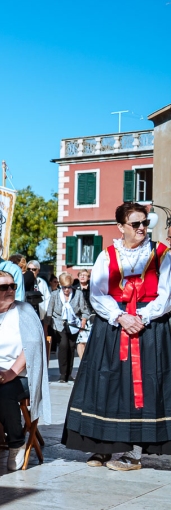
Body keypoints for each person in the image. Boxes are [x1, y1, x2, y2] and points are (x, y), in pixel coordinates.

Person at [63, 202, 171, 472]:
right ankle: (103, 446)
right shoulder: (107, 255)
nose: (142, 228)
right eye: (135, 224)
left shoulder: (161, 253)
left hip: (150, 326)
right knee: (107, 384)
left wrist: (142, 317)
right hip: (113, 327)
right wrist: (121, 317)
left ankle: (133, 453)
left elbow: (168, 294)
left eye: (145, 223)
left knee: (145, 387)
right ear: (121, 227)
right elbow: (98, 293)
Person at [0, 270, 53, 470]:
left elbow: (32, 347)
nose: (10, 290)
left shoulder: (24, 310)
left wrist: (8, 374)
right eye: (3, 287)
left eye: (13, 286)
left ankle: (16, 443)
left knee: (1, 394)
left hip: (22, 376)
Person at [47, 272, 90, 383]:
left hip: (74, 324)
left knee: (71, 347)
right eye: (64, 287)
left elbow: (85, 311)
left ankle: (69, 374)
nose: (66, 290)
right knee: (63, 345)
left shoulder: (78, 294)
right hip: (59, 324)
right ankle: (62, 374)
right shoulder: (55, 295)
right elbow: (49, 311)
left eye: (69, 287)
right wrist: (47, 327)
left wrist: (83, 321)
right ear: (60, 285)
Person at [76, 268, 92, 358]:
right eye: (80, 275)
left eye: (84, 275)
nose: (82, 276)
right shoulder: (74, 289)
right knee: (80, 341)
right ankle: (82, 363)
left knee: (89, 341)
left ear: (88, 277)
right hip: (79, 318)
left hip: (92, 317)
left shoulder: (92, 288)